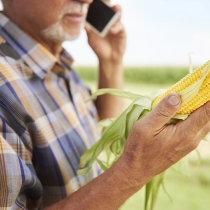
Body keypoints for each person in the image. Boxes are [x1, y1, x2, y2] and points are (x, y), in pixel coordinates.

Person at [0, 0, 210, 210]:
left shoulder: (59, 67)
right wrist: (133, 171)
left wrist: (111, 61)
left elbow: (100, 137)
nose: (86, 0)